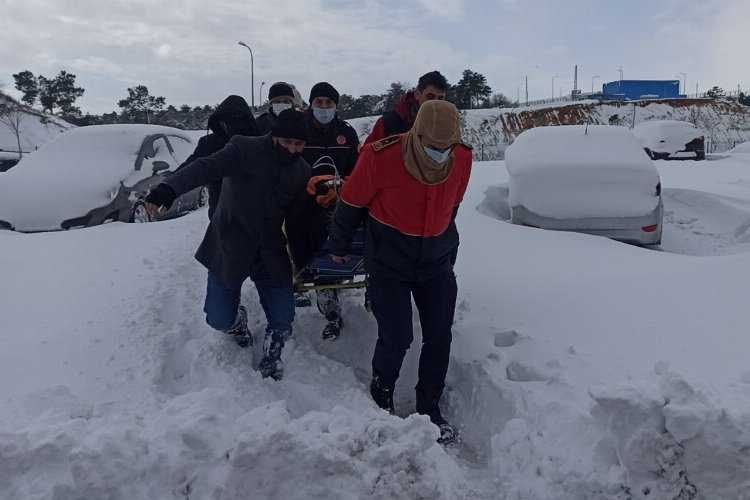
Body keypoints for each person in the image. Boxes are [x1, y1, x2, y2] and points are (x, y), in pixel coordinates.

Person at [329, 100, 472, 444]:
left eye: (445, 148)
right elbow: (351, 202)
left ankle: (430, 407)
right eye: (432, 147)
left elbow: (453, 204)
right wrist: (338, 246)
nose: (439, 153)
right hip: (389, 259)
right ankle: (382, 395)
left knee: (439, 335)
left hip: (436, 259)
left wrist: (445, 245)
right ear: (416, 133)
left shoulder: (462, 157)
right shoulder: (381, 157)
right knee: (397, 336)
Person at [144, 109, 311, 381]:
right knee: (218, 319)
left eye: (299, 144)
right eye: (287, 142)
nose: (292, 150)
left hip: (269, 249)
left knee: (283, 318)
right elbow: (204, 167)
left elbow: (300, 221)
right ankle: (237, 323)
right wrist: (169, 189)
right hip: (230, 242)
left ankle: (274, 346)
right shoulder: (245, 149)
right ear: (274, 136)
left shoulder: (301, 170)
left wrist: (305, 261)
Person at [286, 82, 360, 341]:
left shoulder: (347, 133)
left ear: (336, 106)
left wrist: (346, 187)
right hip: (302, 194)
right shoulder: (299, 127)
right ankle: (307, 269)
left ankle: (337, 275)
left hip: (339, 195)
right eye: (320, 102)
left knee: (343, 233)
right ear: (312, 104)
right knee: (298, 228)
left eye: (329, 103)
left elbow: (357, 167)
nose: (324, 107)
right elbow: (287, 156)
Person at [177, 95, 259, 219]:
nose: (232, 125)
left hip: (255, 214)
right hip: (221, 215)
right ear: (220, 121)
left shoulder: (258, 142)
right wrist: (167, 186)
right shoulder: (209, 143)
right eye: (227, 120)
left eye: (238, 119)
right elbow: (192, 167)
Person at [363, 71, 449, 145]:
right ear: (417, 94)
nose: (435, 102)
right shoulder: (389, 123)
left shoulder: (447, 124)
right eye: (430, 96)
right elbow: (367, 155)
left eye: (440, 98)